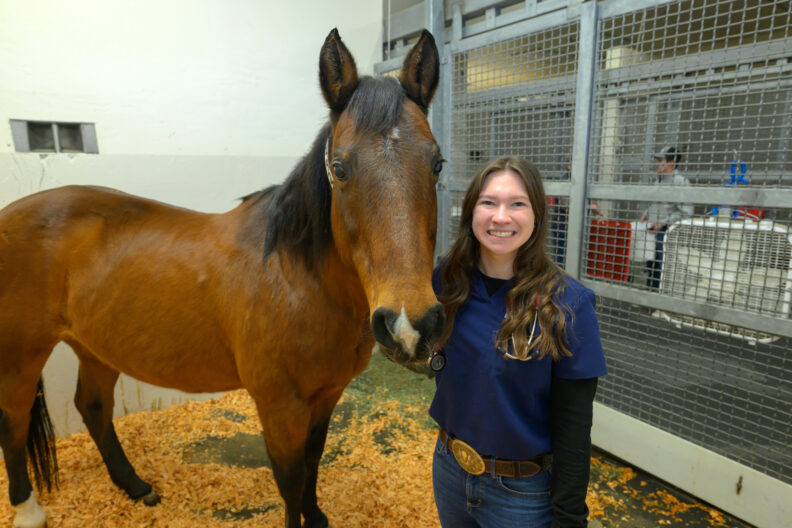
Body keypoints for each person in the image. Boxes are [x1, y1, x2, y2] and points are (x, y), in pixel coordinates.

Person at [429, 156, 608, 528]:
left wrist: (570, 518)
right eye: (488, 202)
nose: (500, 217)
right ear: (471, 211)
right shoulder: (446, 282)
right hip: (449, 468)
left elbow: (574, 429)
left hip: (520, 493)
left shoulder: (569, 304)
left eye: (517, 204)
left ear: (537, 214)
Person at [639, 146, 693, 289]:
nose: (657, 164)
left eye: (660, 160)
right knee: (650, 263)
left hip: (666, 232)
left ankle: (657, 299)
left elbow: (686, 212)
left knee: (660, 266)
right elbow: (655, 203)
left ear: (671, 162)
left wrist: (663, 223)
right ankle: (648, 296)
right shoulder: (660, 180)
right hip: (652, 230)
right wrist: (646, 214)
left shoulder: (680, 182)